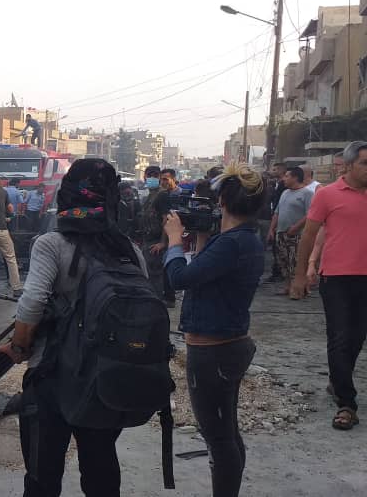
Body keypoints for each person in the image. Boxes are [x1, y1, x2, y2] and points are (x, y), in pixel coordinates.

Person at [0, 159, 147, 497]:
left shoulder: (51, 244)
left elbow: (32, 301)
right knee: (101, 470)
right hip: (108, 380)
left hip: (52, 376)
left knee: (42, 474)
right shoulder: (131, 252)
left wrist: (20, 347)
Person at [163, 164, 266, 497]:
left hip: (214, 352)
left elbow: (179, 278)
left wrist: (174, 241)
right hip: (226, 344)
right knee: (227, 432)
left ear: (222, 201)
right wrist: (203, 237)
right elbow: (208, 273)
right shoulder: (241, 239)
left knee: (219, 437)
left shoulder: (231, 243)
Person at [291, 141, 367, 431]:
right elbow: (309, 236)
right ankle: (347, 403)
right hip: (335, 277)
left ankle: (338, 381)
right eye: (364, 163)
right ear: (347, 166)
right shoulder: (328, 195)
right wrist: (301, 275)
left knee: (357, 337)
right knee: (338, 336)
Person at [306, 151, 351, 284]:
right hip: (335, 268)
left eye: (338, 165)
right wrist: (312, 261)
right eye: (334, 165)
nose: (334, 168)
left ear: (350, 165)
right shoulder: (327, 193)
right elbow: (321, 231)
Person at [268, 166, 313, 297]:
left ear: (295, 177)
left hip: (297, 235)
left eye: (287, 176)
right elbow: (277, 212)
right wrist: (272, 229)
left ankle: (298, 288)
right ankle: (287, 286)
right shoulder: (285, 193)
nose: (284, 179)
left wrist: (296, 227)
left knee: (296, 262)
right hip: (281, 233)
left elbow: (310, 214)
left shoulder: (307, 193)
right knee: (284, 261)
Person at [139, 166, 176, 308]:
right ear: (145, 177)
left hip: (156, 242)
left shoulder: (162, 195)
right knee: (149, 273)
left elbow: (166, 219)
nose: (152, 177)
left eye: (155, 175)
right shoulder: (150, 195)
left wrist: (162, 242)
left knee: (155, 276)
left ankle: (156, 306)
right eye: (150, 175)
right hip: (147, 240)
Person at [266, 162, 288, 282]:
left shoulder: (283, 185)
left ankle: (279, 272)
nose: (272, 171)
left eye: (275, 170)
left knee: (278, 246)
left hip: (280, 218)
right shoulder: (277, 184)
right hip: (275, 216)